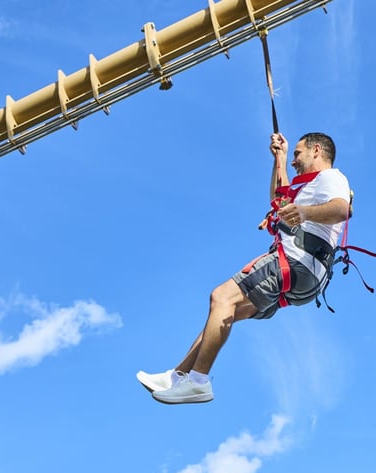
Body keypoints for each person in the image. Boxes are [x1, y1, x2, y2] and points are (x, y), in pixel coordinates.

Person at [137, 131, 351, 404]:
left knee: (221, 297)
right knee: (224, 313)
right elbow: (279, 199)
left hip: (295, 261)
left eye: (298, 154)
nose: (295, 161)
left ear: (316, 150)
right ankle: (177, 376)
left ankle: (199, 382)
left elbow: (341, 209)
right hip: (305, 277)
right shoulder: (309, 188)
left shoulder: (331, 177)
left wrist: (304, 213)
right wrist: (280, 157)